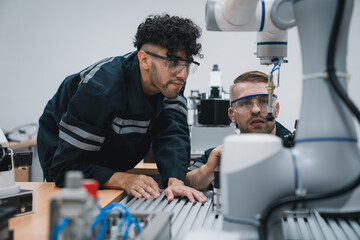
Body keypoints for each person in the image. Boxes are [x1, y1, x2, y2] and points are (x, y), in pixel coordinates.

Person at [37, 14, 207, 203]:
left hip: (111, 158)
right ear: (144, 60)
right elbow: (64, 169)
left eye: (187, 64)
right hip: (67, 155)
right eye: (173, 62)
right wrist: (123, 179)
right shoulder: (100, 90)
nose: (183, 74)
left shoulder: (170, 83)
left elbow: (172, 131)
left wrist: (176, 180)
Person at [185, 70, 293, 190]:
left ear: (276, 109)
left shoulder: (297, 150)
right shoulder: (220, 155)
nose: (255, 110)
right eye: (246, 103)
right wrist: (208, 170)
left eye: (264, 101)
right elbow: (187, 181)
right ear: (232, 115)